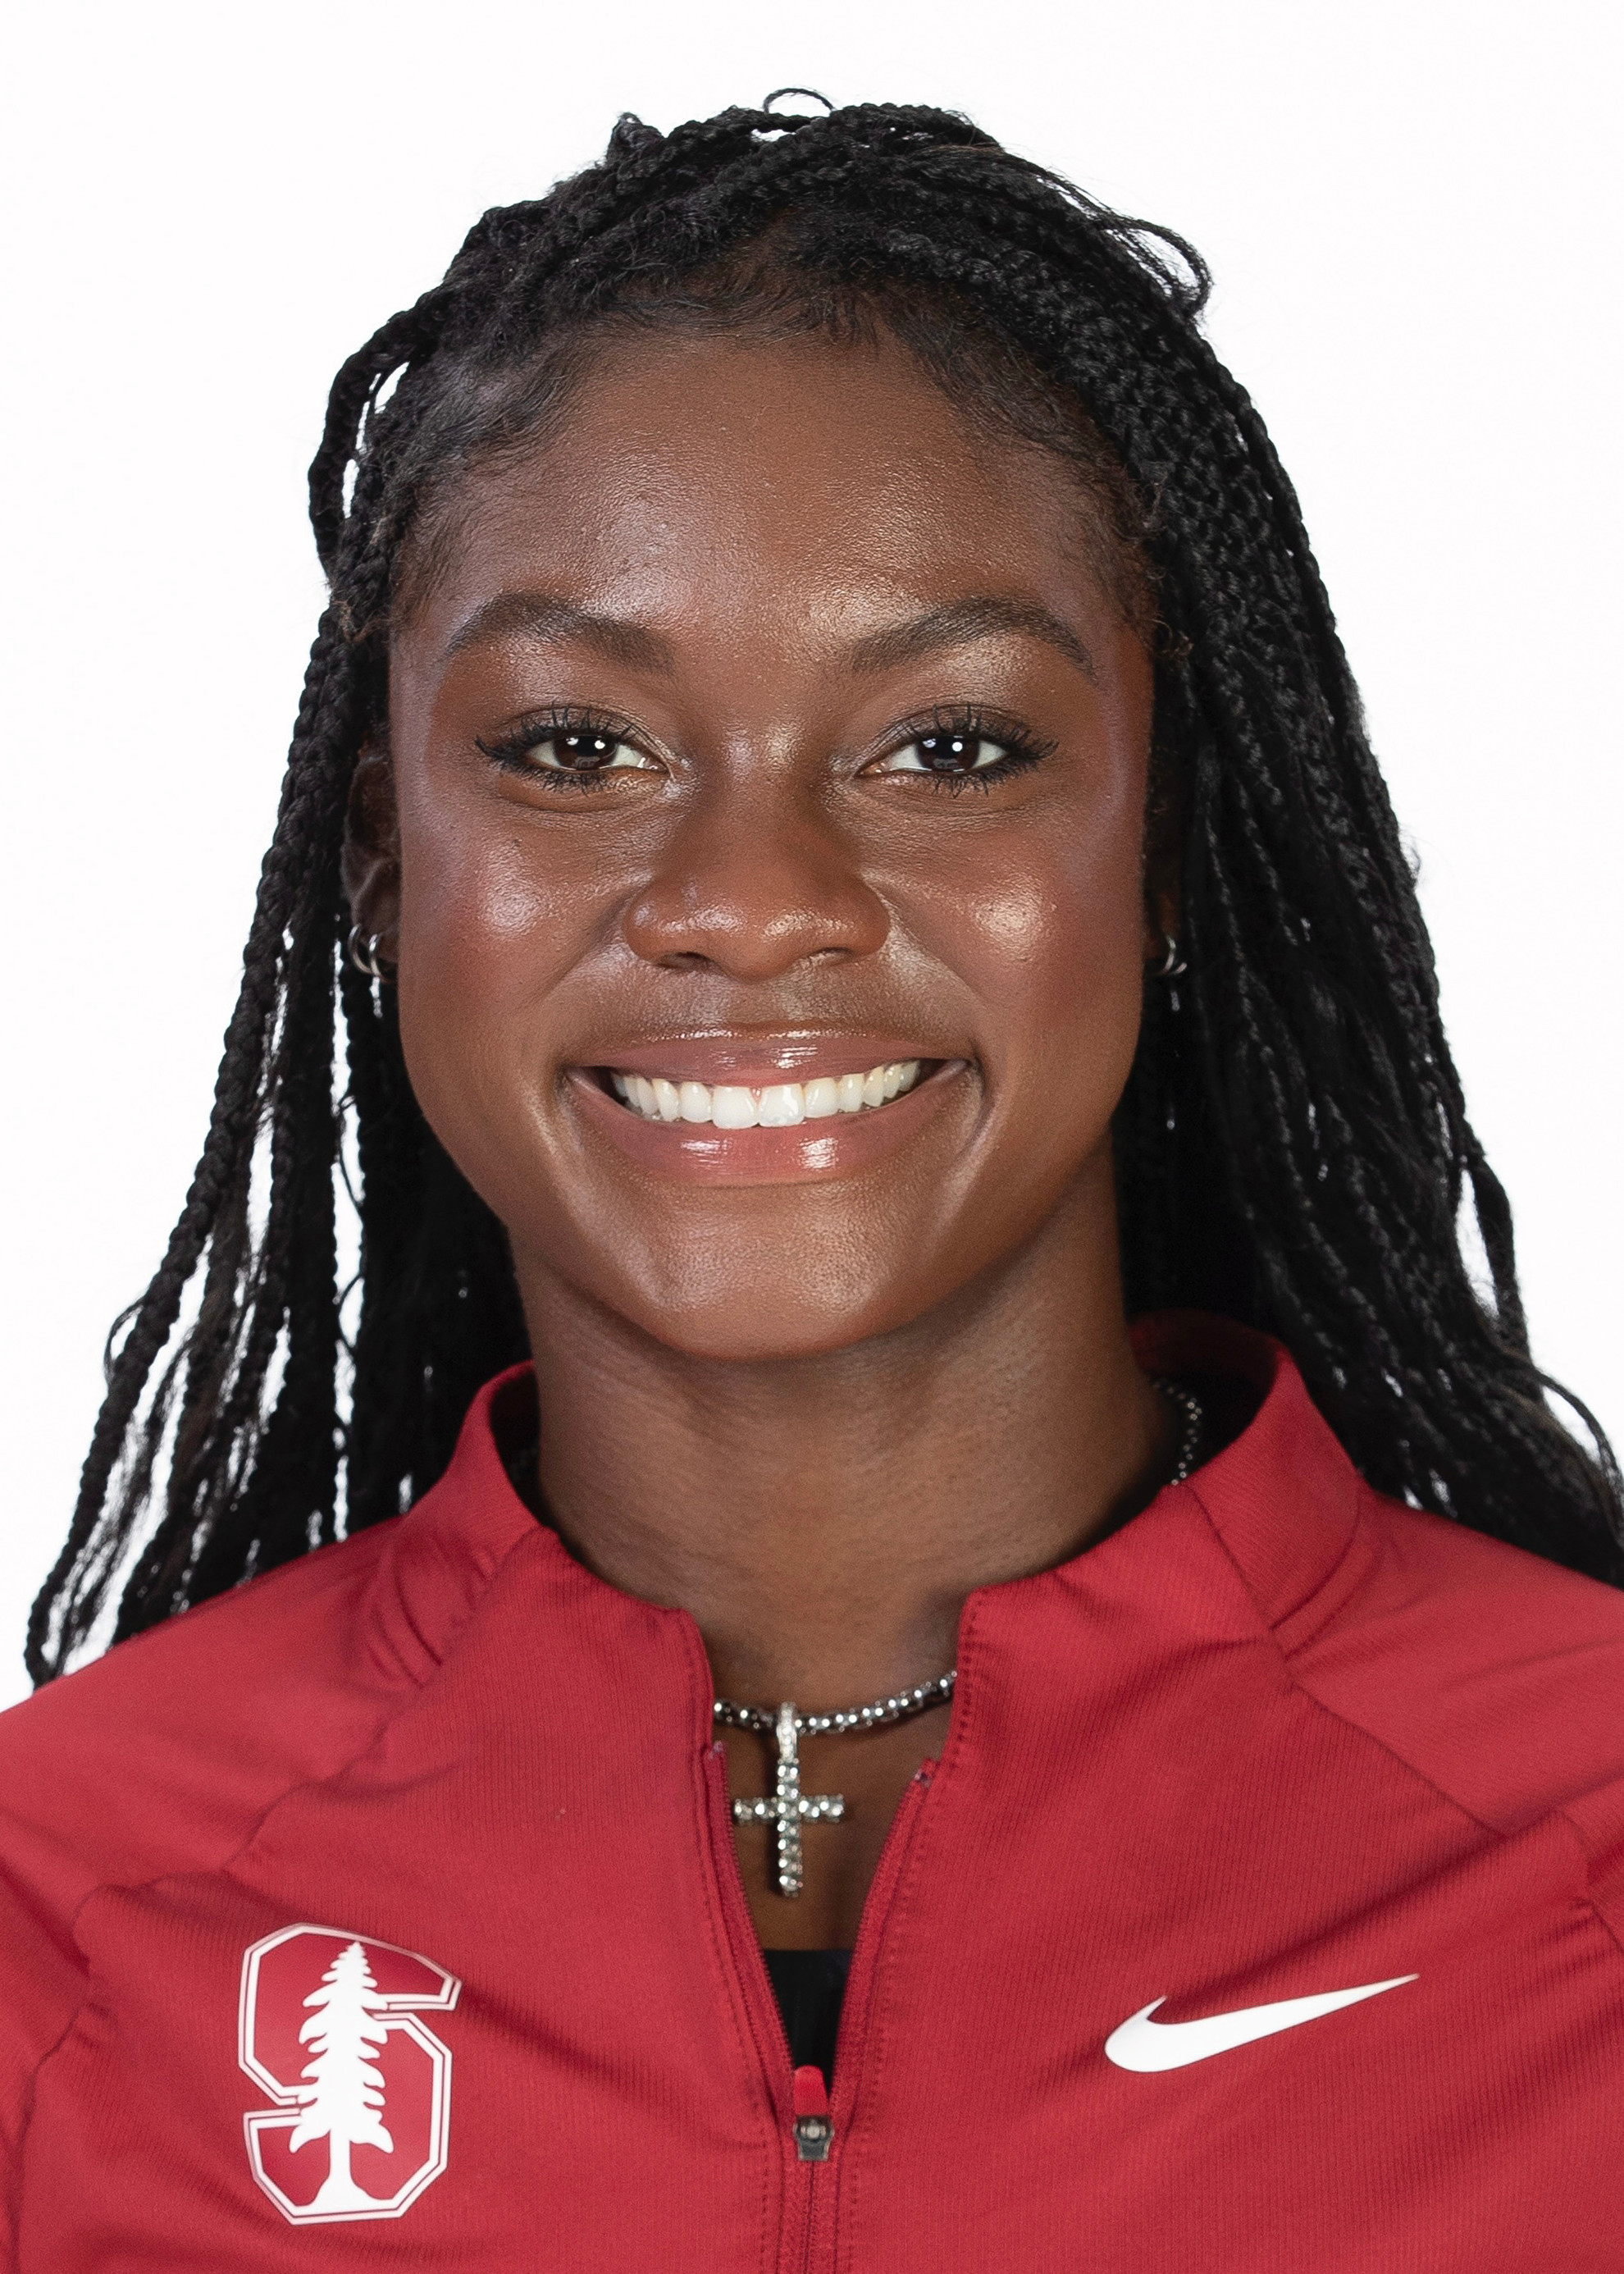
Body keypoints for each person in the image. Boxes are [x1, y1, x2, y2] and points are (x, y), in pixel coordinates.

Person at [2, 93, 1621, 2271]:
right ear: (383, 854)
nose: (750, 903)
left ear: (1161, 840)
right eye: (576, 746)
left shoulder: (1585, 1849)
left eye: (949, 745)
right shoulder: (62, 1917)